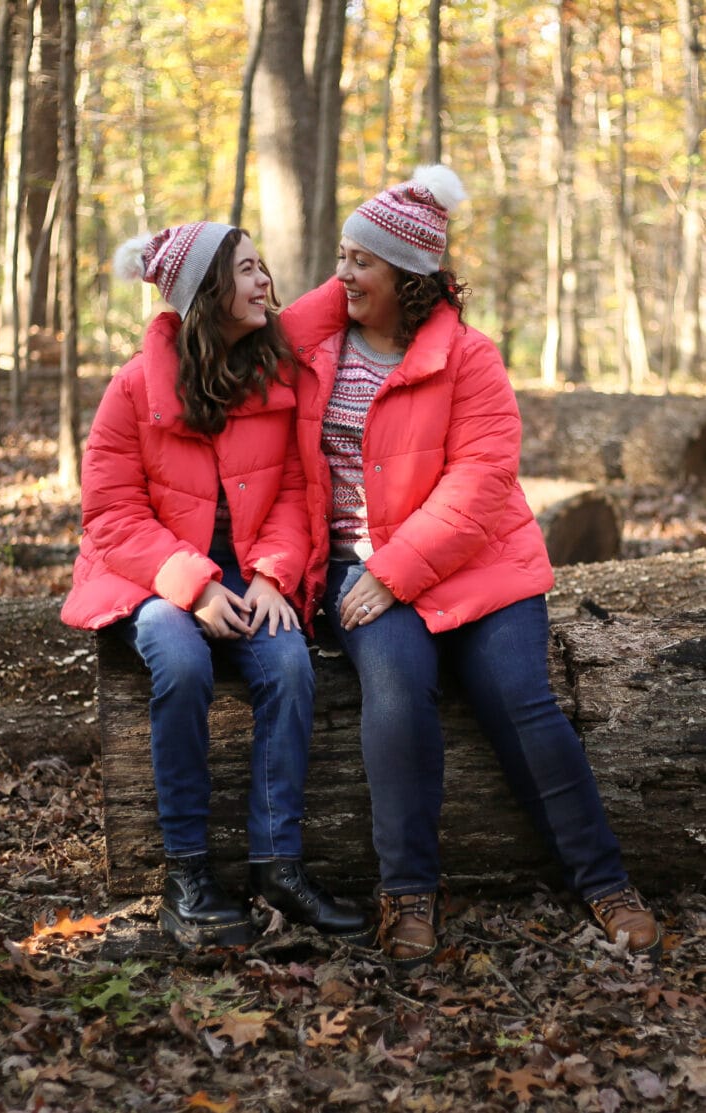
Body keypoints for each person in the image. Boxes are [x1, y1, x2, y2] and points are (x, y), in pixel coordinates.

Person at [281, 165, 662, 969]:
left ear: (409, 280)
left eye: (360, 261)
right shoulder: (317, 348)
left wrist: (397, 571)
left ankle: (605, 882)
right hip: (357, 567)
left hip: (475, 564)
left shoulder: (471, 358)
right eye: (340, 256)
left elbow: (481, 482)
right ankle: (409, 891)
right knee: (396, 689)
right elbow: (273, 329)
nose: (340, 273)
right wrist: (370, 574)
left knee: (523, 700)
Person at [61, 220, 368, 949]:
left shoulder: (273, 373)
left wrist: (272, 576)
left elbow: (297, 490)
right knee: (180, 656)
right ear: (209, 292)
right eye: (251, 271)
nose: (266, 282)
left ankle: (277, 865)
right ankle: (186, 876)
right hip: (151, 572)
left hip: (249, 571)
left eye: (264, 269)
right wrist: (192, 585)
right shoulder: (134, 388)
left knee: (291, 664)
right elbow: (109, 512)